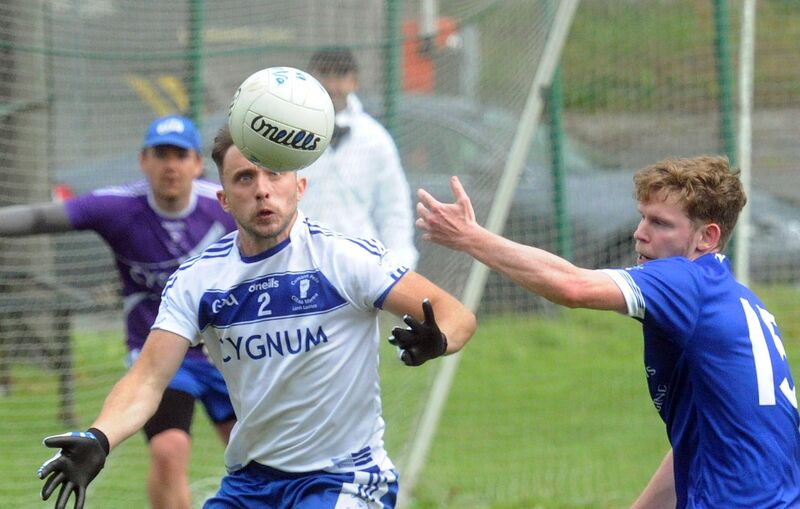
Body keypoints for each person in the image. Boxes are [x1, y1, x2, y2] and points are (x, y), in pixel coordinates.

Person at [36, 125, 477, 509]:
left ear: (299, 187)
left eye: (275, 174)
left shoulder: (344, 259)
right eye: (246, 177)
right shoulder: (197, 280)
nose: (262, 189)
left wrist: (438, 337)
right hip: (250, 485)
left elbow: (454, 314)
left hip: (344, 478)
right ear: (224, 199)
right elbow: (148, 378)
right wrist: (99, 437)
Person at [414, 155, 800, 508]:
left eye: (660, 223)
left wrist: (470, 237)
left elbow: (572, 287)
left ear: (707, 237)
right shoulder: (735, 296)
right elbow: (701, 439)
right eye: (643, 216)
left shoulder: (685, 281)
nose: (639, 233)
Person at [1, 114, 237, 509]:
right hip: (162, 356)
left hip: (225, 353)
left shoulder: (226, 206)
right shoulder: (118, 207)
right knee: (168, 450)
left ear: (197, 164)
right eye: (161, 154)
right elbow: (42, 217)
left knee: (257, 457)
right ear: (143, 161)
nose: (170, 165)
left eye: (180, 155)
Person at [299, 47, 419, 269]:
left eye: (341, 75)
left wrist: (400, 264)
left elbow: (393, 207)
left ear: (354, 82)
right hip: (299, 262)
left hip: (359, 265)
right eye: (324, 74)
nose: (332, 85)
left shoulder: (375, 139)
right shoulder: (288, 132)